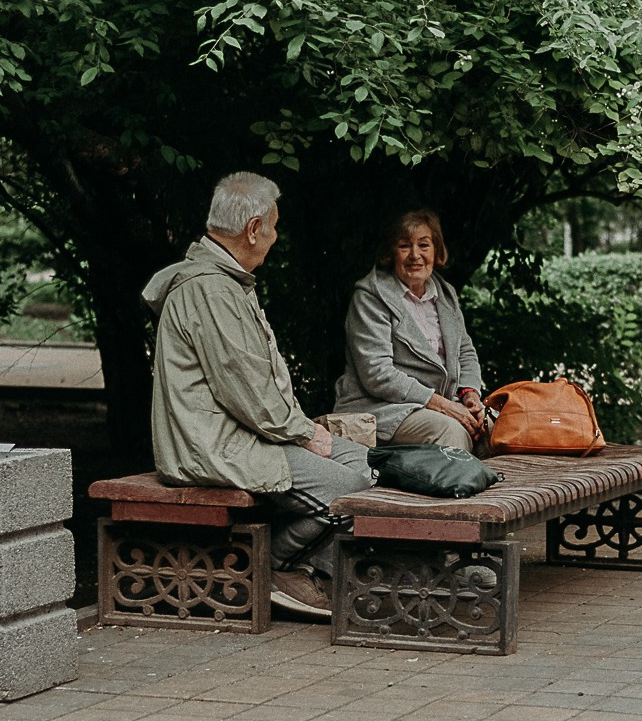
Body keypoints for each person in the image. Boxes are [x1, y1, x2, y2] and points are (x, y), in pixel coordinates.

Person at [142, 172, 373, 615]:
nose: (275, 236)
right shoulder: (210, 289)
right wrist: (305, 434)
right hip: (214, 446)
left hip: (244, 434)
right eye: (273, 225)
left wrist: (306, 434)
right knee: (353, 492)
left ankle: (307, 571)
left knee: (368, 464)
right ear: (253, 229)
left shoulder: (226, 281)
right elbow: (248, 393)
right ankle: (275, 568)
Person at [333, 209, 487, 451]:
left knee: (496, 428)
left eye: (424, 245)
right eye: (404, 246)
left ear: (436, 251)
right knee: (450, 431)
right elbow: (377, 373)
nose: (415, 255)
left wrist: (470, 396)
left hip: (441, 405)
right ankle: (458, 490)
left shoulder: (445, 295)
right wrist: (441, 404)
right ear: (390, 253)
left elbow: (465, 352)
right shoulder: (370, 297)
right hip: (382, 407)